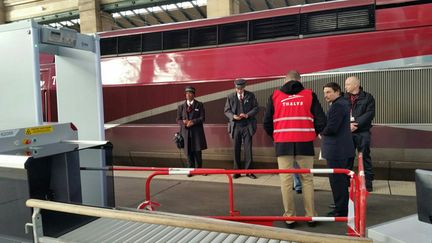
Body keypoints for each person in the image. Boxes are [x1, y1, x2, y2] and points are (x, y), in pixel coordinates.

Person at [263, 70, 326, 228]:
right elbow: (321, 120)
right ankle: (310, 216)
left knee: (286, 181)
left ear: (285, 81)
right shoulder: (310, 95)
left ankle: (290, 217)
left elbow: (266, 122)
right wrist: (311, 134)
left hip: (283, 144)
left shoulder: (275, 96)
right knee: (307, 180)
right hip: (305, 143)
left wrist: (278, 135)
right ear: (299, 80)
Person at [321, 82, 355, 217]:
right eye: (324, 93)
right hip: (340, 149)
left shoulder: (338, 106)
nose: (326, 95)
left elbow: (332, 128)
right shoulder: (342, 104)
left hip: (336, 150)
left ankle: (341, 210)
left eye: (328, 92)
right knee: (339, 181)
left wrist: (321, 131)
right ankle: (341, 204)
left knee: (337, 181)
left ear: (337, 92)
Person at [344, 76, 376, 192]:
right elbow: (339, 113)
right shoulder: (343, 98)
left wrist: (355, 124)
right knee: (347, 157)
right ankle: (346, 182)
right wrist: (347, 125)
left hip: (363, 132)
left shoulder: (368, 97)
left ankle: (367, 183)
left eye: (348, 84)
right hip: (347, 132)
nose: (345, 86)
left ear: (356, 85)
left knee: (364, 157)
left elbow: (370, 114)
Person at [224, 79, 259, 179]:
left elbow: (256, 108)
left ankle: (249, 171)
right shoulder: (230, 97)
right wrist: (233, 116)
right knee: (236, 149)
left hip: (247, 126)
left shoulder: (250, 95)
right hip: (235, 126)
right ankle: (237, 171)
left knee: (248, 149)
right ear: (235, 88)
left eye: (241, 89)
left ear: (244, 87)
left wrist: (247, 115)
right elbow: (226, 110)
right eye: (237, 89)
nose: (239, 90)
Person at [176, 86, 207, 174]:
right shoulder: (181, 107)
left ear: (193, 94)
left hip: (196, 133)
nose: (188, 95)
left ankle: (199, 170)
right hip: (186, 133)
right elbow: (178, 119)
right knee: (188, 152)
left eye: (190, 93)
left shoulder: (199, 105)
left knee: (197, 152)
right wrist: (184, 122)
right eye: (186, 93)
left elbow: (202, 118)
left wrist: (193, 122)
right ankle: (190, 170)